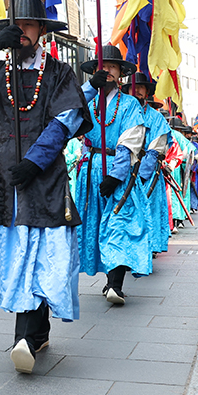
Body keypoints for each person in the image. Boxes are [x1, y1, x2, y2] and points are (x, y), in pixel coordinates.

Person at [0, 0, 91, 374]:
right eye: (16, 26)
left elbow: (67, 120)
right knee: (16, 254)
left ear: (42, 31)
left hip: (43, 178)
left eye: (28, 25)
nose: (21, 32)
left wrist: (34, 161)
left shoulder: (59, 73)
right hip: (1, 179)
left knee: (45, 254)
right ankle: (32, 333)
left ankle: (26, 336)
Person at [74, 45, 148, 305]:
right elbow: (65, 120)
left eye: (112, 67)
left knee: (117, 224)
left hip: (117, 171)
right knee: (95, 225)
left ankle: (115, 283)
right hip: (89, 168)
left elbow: (132, 138)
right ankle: (108, 278)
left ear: (120, 73)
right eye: (100, 67)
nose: (105, 71)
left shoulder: (129, 105)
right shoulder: (87, 102)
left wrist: (117, 174)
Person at [122, 74, 172, 256]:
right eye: (132, 87)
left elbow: (156, 148)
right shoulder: (121, 113)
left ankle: (148, 249)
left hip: (147, 174)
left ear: (147, 91)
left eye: (140, 87)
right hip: (123, 171)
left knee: (147, 210)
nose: (136, 90)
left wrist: (141, 175)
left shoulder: (156, 118)